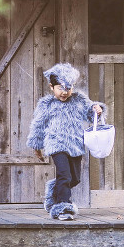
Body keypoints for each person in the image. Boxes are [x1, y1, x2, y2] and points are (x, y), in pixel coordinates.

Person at [27, 63, 107, 220]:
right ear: (52, 87)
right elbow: (38, 125)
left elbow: (91, 114)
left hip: (75, 144)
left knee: (74, 178)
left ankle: (53, 190)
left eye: (68, 89)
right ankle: (63, 208)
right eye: (60, 88)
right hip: (56, 144)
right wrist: (37, 146)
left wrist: (97, 109)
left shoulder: (79, 99)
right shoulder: (47, 104)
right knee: (64, 174)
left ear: (73, 87)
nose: (64, 93)